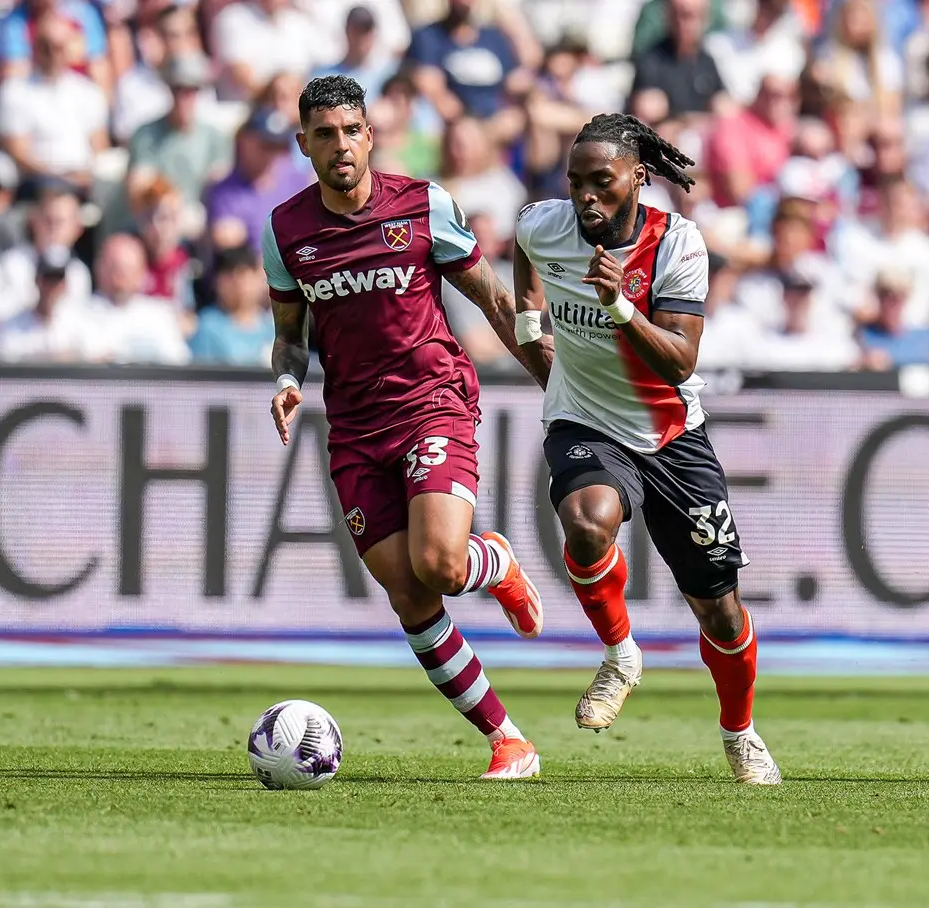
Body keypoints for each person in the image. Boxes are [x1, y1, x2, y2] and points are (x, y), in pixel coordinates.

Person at [262, 76, 550, 782]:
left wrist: (555, 378)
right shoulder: (285, 232)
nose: (340, 146)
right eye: (324, 134)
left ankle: (495, 563)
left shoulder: (423, 206)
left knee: (444, 566)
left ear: (371, 135)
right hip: (355, 427)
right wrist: (288, 380)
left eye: (351, 131)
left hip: (432, 401)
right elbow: (289, 334)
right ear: (304, 143)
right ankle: (509, 739)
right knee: (409, 592)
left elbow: (490, 297)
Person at [512, 112, 781, 785]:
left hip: (672, 438)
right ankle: (620, 653)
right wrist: (527, 325)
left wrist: (621, 309)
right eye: (575, 183)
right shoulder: (545, 226)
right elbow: (524, 251)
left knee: (720, 611)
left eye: (600, 182)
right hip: (585, 422)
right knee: (586, 522)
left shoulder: (678, 245)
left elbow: (681, 363)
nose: (585, 198)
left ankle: (740, 733)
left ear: (638, 178)